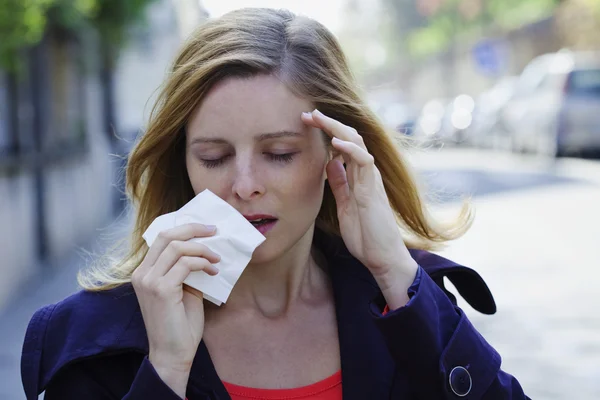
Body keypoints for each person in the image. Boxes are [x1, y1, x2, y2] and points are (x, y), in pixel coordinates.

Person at [21, 8, 530, 400]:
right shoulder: (91, 341)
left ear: (338, 154)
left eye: (279, 153)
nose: (244, 185)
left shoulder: (404, 302)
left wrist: (397, 271)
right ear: (184, 163)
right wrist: (166, 371)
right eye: (215, 156)